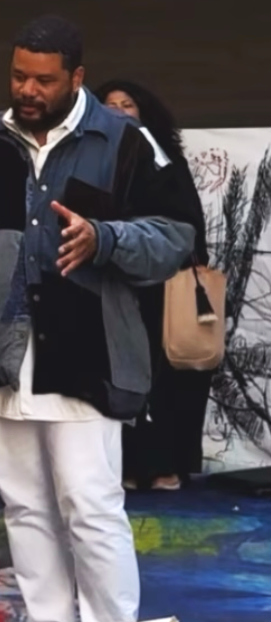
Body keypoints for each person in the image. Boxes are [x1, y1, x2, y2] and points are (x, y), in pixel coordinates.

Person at [0, 16, 194, 622]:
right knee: (24, 507)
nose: (28, 90)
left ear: (76, 77)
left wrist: (105, 238)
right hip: (0, 350)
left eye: (43, 80)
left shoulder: (126, 141)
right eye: (19, 76)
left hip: (88, 353)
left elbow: (177, 236)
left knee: (91, 506)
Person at [96, 79, 213, 490]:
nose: (118, 112)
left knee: (175, 379)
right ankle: (128, 465)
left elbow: (189, 224)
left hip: (169, 286)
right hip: (116, 287)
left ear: (144, 113)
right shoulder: (91, 160)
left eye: (127, 104)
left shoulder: (166, 159)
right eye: (109, 105)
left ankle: (169, 465)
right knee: (122, 377)